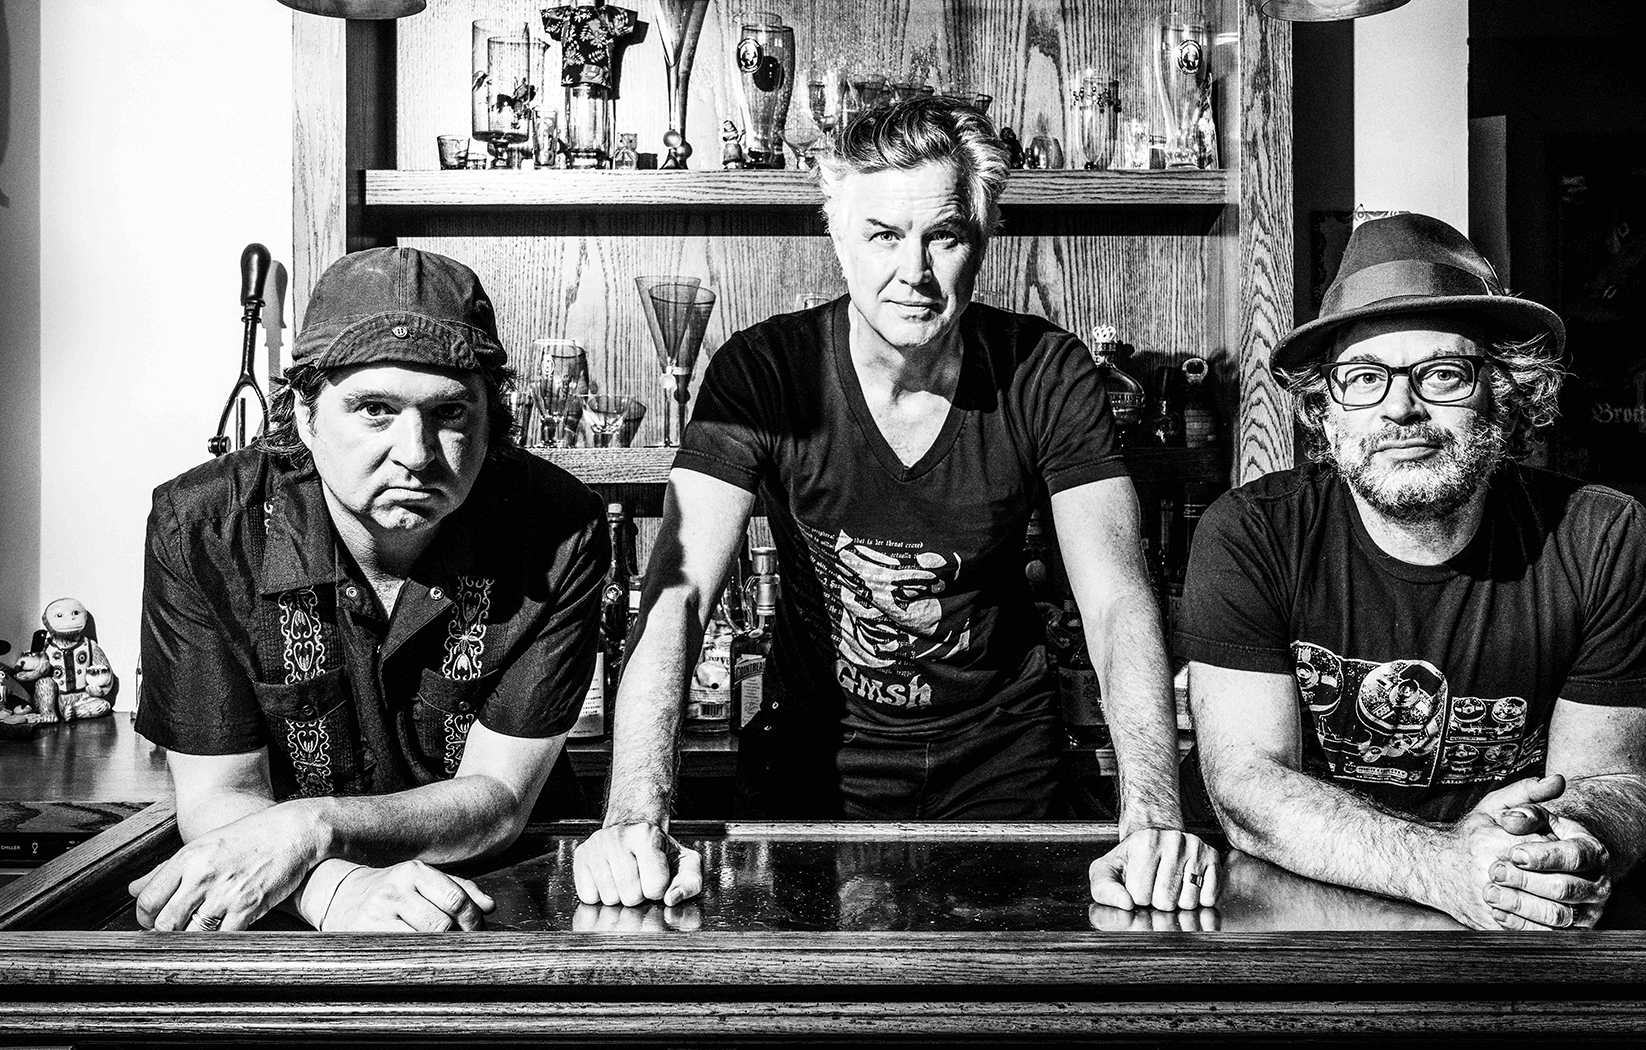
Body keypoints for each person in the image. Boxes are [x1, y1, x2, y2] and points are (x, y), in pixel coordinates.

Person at [576, 97, 1211, 915]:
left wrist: (1153, 818)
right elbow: (680, 594)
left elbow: (1117, 599)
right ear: (838, 240)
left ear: (981, 241)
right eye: (882, 235)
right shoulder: (763, 371)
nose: (913, 271)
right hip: (814, 757)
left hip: (1002, 760)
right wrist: (633, 815)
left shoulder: (1044, 372)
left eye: (942, 237)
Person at [1174, 213, 1646, 931]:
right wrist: (1442, 866)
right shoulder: (1252, 532)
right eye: (1363, 378)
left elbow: (1613, 775)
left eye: (1442, 374)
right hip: (1287, 912)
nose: (1400, 408)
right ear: (1325, 410)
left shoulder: (1600, 537)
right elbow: (1246, 786)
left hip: (1510, 909)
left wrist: (1556, 848)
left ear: (1505, 395)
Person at [131, 247, 606, 932]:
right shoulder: (204, 528)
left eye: (450, 412)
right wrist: (336, 890)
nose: (416, 453)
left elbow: (501, 796)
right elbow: (220, 795)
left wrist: (312, 827)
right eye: (375, 409)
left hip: (503, 896)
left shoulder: (559, 528)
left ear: (491, 417)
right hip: (288, 897)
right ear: (305, 414)